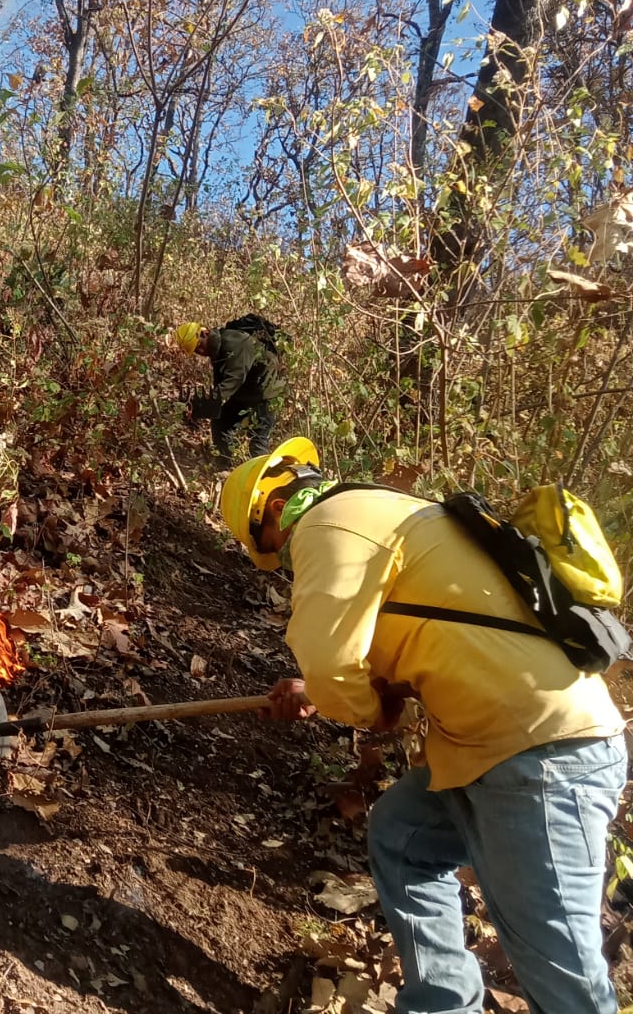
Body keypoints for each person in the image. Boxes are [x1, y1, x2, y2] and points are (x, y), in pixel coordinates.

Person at [219, 437, 628, 1014]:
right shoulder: (391, 510)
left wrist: (356, 705)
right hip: (503, 742)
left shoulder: (328, 523)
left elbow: (332, 662)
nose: (280, 560)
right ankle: (441, 1004)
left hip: (539, 754)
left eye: (267, 549)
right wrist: (324, 691)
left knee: (556, 967)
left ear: (268, 523)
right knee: (402, 836)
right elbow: (432, 643)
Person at [174, 318, 285, 465]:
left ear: (205, 333)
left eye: (199, 345)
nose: (200, 351)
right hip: (246, 392)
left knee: (257, 441)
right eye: (196, 351)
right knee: (221, 422)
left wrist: (206, 403)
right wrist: (203, 408)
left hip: (266, 393)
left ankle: (265, 481)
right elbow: (222, 384)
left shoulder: (235, 343)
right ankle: (225, 465)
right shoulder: (217, 349)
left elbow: (234, 379)